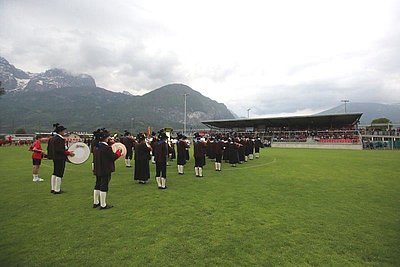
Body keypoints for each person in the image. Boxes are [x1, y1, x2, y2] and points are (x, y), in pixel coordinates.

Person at [92, 128, 122, 209]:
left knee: (97, 184)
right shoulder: (106, 148)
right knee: (104, 185)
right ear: (105, 138)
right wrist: (118, 153)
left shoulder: (96, 147)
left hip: (98, 168)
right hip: (105, 168)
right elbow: (112, 157)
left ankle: (96, 202)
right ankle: (103, 204)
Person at [49, 123, 75, 194]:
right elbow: (59, 150)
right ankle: (57, 189)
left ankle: (53, 188)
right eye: (63, 131)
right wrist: (68, 153)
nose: (64, 132)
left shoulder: (53, 138)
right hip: (60, 158)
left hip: (55, 157)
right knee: (59, 174)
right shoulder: (59, 139)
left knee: (55, 172)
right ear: (60, 131)